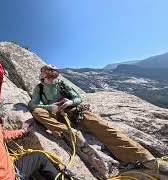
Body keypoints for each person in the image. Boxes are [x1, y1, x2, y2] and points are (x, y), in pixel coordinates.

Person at [28, 65, 168, 175]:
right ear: (43, 76)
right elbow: (33, 104)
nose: (50, 79)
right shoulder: (39, 88)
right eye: (47, 76)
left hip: (75, 112)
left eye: (51, 76)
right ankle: (68, 132)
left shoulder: (62, 85)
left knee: (106, 129)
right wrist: (50, 107)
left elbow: (78, 99)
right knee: (37, 112)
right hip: (57, 116)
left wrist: (69, 103)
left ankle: (146, 159)